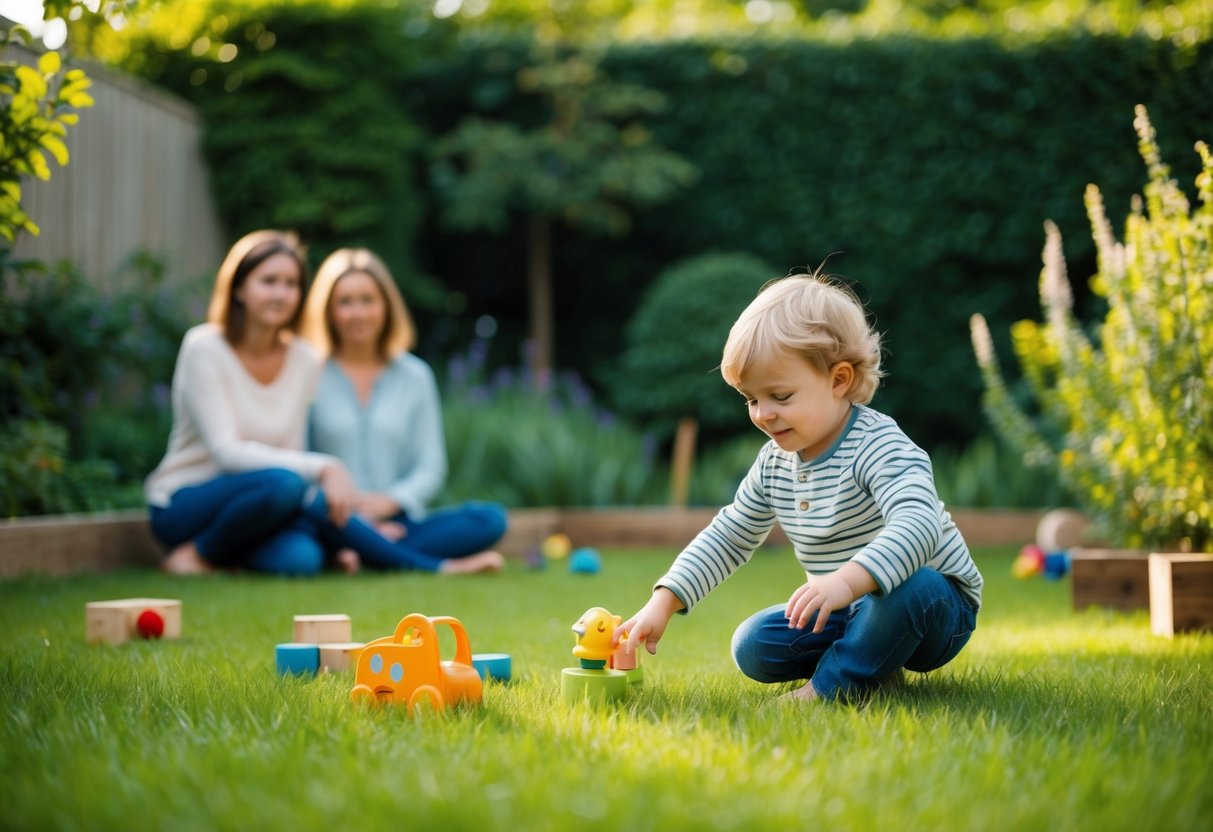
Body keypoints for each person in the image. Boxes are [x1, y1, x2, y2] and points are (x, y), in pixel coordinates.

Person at [616, 270, 983, 702]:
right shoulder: (775, 463)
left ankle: (830, 689)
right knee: (754, 645)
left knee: (913, 587)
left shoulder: (879, 444)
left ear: (838, 379)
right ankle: (872, 660)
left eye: (781, 397)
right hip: (846, 607)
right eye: (752, 399)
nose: (763, 414)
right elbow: (729, 535)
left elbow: (919, 525)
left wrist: (845, 582)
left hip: (936, 606)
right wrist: (664, 600)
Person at [144, 229, 358, 576]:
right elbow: (226, 452)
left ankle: (228, 557)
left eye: (291, 283)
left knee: (302, 560)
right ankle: (199, 553)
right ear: (239, 288)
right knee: (284, 482)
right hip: (188, 503)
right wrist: (324, 467)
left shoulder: (305, 358)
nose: (282, 293)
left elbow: (292, 450)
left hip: (264, 505)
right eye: (269, 281)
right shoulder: (204, 348)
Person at [301, 247, 506, 575]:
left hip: (398, 520)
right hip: (334, 516)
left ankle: (362, 553)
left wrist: (389, 503)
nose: (358, 313)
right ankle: (435, 566)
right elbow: (299, 459)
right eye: (345, 302)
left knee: (489, 519)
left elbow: (430, 467)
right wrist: (354, 515)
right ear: (327, 311)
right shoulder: (306, 374)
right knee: (302, 539)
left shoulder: (415, 376)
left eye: (368, 299)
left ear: (386, 305)